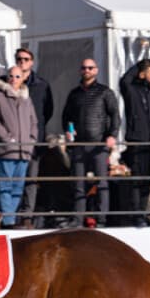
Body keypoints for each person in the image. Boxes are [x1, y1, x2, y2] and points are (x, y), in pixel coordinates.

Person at [61, 58, 119, 227]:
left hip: (99, 144)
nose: (87, 70)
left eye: (90, 68)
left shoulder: (105, 92)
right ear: (80, 70)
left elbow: (115, 114)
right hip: (79, 145)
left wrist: (112, 135)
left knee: (101, 182)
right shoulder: (74, 93)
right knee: (78, 183)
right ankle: (78, 219)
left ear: (96, 70)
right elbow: (66, 116)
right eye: (84, 68)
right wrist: (68, 130)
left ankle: (101, 219)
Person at [0, 66, 38, 226]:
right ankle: (8, 220)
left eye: (17, 76)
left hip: (24, 151)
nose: (14, 79)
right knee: (4, 186)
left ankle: (10, 217)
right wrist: (7, 138)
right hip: (6, 151)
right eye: (11, 76)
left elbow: (34, 121)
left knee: (18, 187)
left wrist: (31, 141)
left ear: (23, 78)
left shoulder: (26, 99)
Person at [118, 59, 150, 225]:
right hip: (137, 139)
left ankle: (143, 212)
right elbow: (124, 81)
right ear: (143, 74)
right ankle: (136, 214)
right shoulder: (132, 90)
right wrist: (139, 65)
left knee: (148, 179)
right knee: (137, 179)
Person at [14, 47, 54, 219]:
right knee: (13, 178)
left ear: (32, 62)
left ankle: (27, 214)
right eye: (19, 59)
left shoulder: (42, 85)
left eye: (26, 59)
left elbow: (48, 110)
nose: (22, 62)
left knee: (31, 177)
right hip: (13, 139)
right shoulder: (8, 82)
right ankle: (12, 213)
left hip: (33, 139)